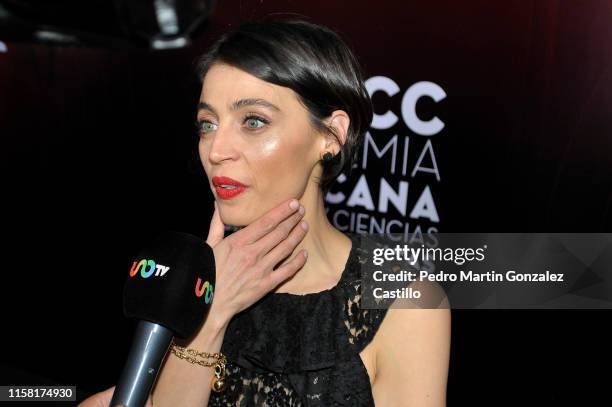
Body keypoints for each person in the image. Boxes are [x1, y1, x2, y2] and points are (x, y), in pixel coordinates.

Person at [152, 17, 449, 406]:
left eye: (253, 121)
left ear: (330, 136)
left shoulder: (403, 302)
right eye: (207, 124)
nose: (216, 149)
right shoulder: (184, 280)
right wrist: (212, 310)